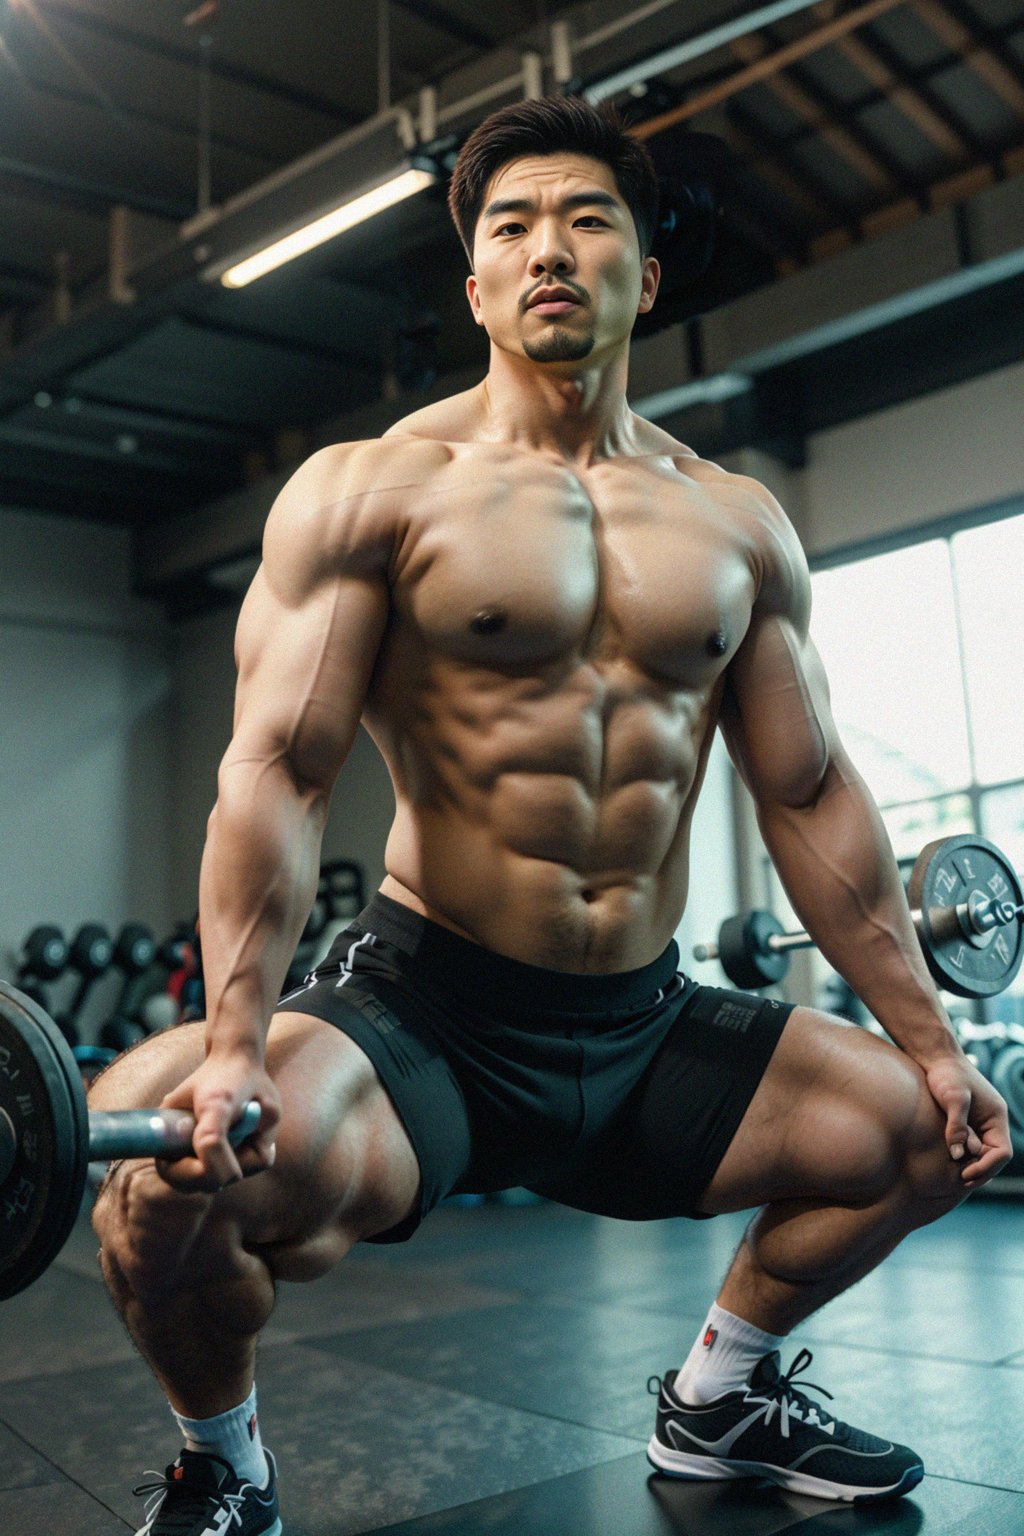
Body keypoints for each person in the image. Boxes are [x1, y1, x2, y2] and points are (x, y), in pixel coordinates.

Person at [90, 94, 1011, 1535]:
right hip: (426, 1025)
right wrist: (225, 1048)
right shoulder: (377, 492)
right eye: (513, 226)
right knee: (156, 1177)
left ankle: (720, 1401)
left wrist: (934, 1043)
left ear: (646, 270)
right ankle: (227, 1468)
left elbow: (810, 793)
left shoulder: (736, 523)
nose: (551, 249)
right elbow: (276, 773)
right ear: (475, 288)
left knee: (923, 1132)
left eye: (589, 220)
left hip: (645, 1030)